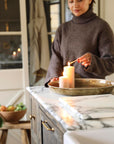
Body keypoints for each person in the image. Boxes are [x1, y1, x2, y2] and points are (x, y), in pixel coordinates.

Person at [45, 0, 114, 87]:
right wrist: (54, 77)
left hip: (92, 92)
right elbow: (56, 59)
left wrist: (92, 62)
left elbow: (111, 63)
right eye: (71, 1)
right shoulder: (63, 29)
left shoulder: (102, 27)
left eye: (79, 0)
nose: (75, 5)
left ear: (90, 0)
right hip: (65, 91)